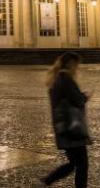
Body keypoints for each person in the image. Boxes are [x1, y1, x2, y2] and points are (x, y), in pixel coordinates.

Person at [42, 52, 90, 188]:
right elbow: (77, 100)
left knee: (74, 163)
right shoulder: (65, 79)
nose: (77, 69)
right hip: (72, 128)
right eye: (76, 65)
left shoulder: (58, 78)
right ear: (70, 64)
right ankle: (47, 180)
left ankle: (47, 181)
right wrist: (85, 96)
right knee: (82, 164)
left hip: (63, 127)